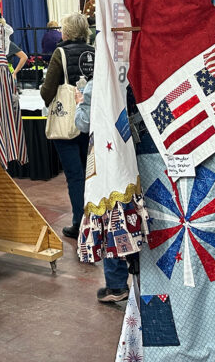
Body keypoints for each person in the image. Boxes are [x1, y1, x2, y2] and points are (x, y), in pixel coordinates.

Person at [40, 12, 95, 239]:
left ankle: (79, 222)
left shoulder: (59, 53)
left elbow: (47, 91)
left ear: (67, 31)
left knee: (75, 175)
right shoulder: (95, 52)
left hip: (66, 122)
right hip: (91, 120)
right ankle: (95, 218)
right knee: (90, 172)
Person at [76, 81, 131, 304]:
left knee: (110, 216)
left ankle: (117, 284)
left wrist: (80, 103)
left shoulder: (97, 81)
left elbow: (82, 123)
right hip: (139, 153)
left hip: (109, 159)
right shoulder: (135, 69)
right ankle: (144, 279)